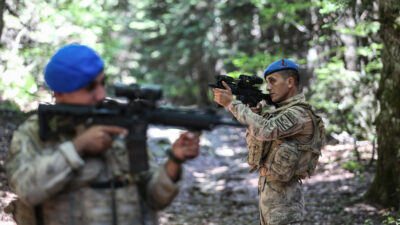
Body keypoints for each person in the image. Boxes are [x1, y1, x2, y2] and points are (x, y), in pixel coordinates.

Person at [5, 44, 201, 225]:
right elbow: (27, 190)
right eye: (89, 87)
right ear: (60, 93)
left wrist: (175, 160)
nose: (100, 95)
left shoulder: (120, 126)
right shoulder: (34, 132)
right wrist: (78, 147)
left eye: (102, 83)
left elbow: (154, 199)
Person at [213, 59, 325, 225]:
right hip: (271, 200)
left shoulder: (299, 113)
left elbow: (267, 130)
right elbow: (256, 144)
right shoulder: (281, 114)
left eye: (272, 81)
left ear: (290, 82)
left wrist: (232, 104)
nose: (267, 88)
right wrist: (253, 116)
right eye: (267, 82)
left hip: (285, 206)